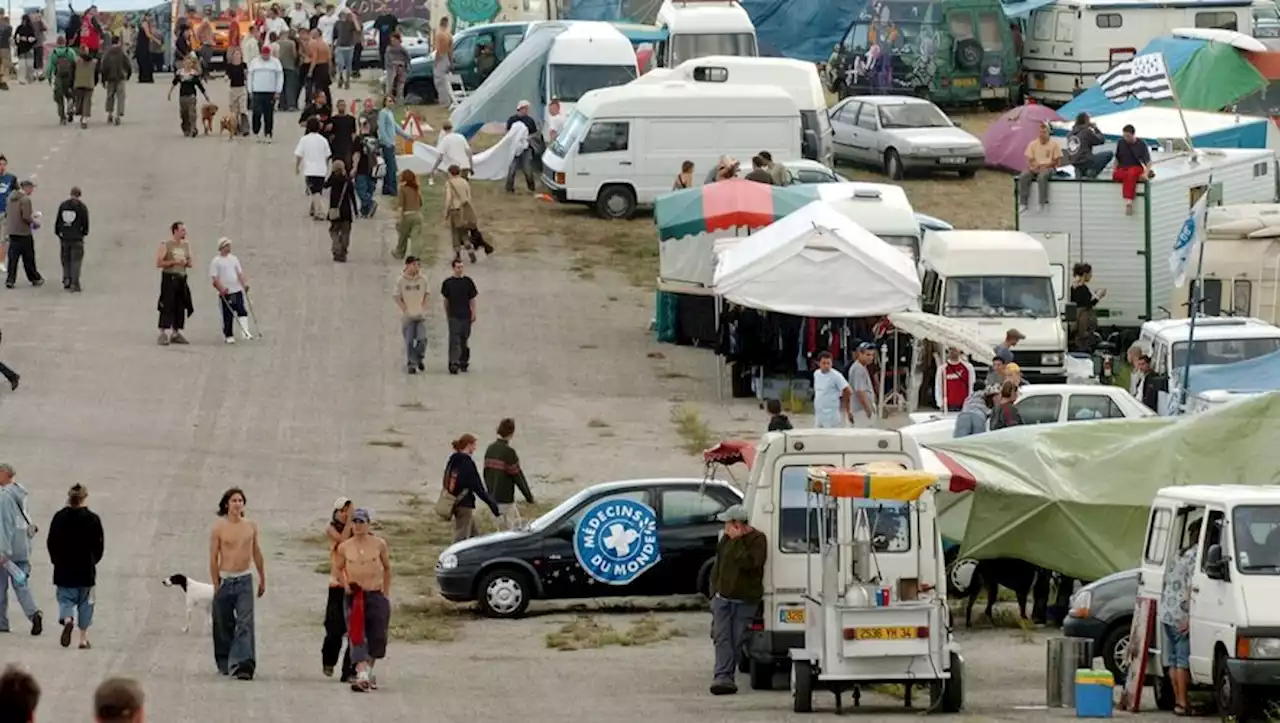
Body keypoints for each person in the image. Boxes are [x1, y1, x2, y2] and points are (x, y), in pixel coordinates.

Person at [708, 504, 766, 696]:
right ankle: (722, 677)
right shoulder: (725, 540)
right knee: (721, 637)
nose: (725, 527)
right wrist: (713, 592)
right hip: (722, 599)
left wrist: (738, 542)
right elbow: (719, 566)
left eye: (727, 523)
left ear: (737, 524)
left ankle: (727, 676)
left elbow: (751, 564)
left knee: (736, 639)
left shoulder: (758, 540)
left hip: (744, 601)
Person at [209, 487, 266, 680]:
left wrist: (262, 577)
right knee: (223, 623)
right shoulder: (219, 527)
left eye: (240, 501)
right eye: (234, 500)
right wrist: (215, 581)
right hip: (226, 578)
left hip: (244, 580)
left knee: (245, 623)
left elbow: (256, 552)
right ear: (227, 504)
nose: (237, 504)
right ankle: (225, 661)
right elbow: (213, 556)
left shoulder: (250, 526)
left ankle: (244, 665)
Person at [334, 507, 392, 692]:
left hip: (375, 593)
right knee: (357, 634)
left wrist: (385, 592)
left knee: (378, 635)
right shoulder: (345, 546)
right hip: (355, 596)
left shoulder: (379, 544)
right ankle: (361, 674)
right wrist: (345, 584)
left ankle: (369, 670)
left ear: (368, 524)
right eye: (355, 522)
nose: (358, 526)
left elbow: (387, 568)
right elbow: (337, 568)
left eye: (361, 522)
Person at [45, 483, 103, 649]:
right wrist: (93, 560)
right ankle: (83, 639)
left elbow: (51, 542)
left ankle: (68, 619)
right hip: (86, 569)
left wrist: (55, 560)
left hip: (64, 568)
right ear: (84, 498)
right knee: (86, 604)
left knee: (65, 599)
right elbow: (99, 545)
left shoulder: (59, 517)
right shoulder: (93, 519)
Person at [1159, 517, 1200, 716]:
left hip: (1167, 611)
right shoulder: (1196, 556)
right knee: (1182, 660)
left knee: (1173, 660)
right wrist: (1191, 617)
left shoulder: (1178, 554)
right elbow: (1192, 587)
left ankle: (1178, 701)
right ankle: (1183, 703)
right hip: (1182, 614)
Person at [0, 464, 42, 635]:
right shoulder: (20, 493)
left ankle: (1, 622)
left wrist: (2, 551)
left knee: (0, 587)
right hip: (22, 547)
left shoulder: (3, 497)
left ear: (5, 474)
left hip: (6, 550)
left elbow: (4, 526)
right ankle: (33, 613)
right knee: (21, 583)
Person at [443, 435, 500, 541]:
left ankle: (480, 554)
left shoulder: (453, 460)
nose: (475, 448)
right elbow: (477, 487)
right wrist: (491, 504)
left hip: (453, 501)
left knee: (474, 536)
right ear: (468, 445)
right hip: (465, 504)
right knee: (461, 537)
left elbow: (446, 478)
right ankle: (453, 555)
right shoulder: (467, 463)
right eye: (473, 445)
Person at [322, 497, 354, 681]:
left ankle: (349, 670)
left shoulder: (358, 529)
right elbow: (342, 543)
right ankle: (328, 660)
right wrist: (349, 521)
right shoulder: (332, 529)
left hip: (355, 584)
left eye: (348, 511)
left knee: (354, 630)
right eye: (342, 511)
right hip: (337, 584)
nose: (345, 515)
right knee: (334, 629)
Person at [483, 418, 535, 530]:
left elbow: (485, 474)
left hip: (492, 498)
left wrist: (489, 493)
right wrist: (529, 497)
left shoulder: (490, 449)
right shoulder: (509, 452)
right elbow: (518, 477)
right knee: (507, 533)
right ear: (511, 433)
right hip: (505, 500)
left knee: (498, 531)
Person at [155, 221, 193, 346]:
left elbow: (190, 262)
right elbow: (159, 263)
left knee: (180, 305)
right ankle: (163, 332)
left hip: (181, 277)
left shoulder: (185, 245)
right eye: (182, 230)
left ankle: (176, 332)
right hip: (170, 278)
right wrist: (174, 262)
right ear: (175, 231)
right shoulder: (166, 245)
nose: (184, 232)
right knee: (167, 304)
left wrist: (186, 263)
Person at [210, 237, 252, 344]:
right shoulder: (216, 261)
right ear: (221, 247)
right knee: (228, 314)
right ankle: (228, 335)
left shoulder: (234, 259)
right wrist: (221, 289)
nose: (228, 248)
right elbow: (215, 278)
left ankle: (245, 332)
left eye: (229, 246)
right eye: (226, 246)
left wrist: (244, 284)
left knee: (241, 310)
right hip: (226, 292)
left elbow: (239, 273)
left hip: (237, 290)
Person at [441, 258, 478, 374]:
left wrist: (474, 312)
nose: (460, 269)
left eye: (461, 267)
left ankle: (463, 361)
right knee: (454, 340)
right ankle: (453, 363)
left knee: (464, 340)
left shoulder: (468, 282)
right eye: (458, 267)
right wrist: (447, 314)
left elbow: (472, 299)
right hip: (454, 315)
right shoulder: (448, 283)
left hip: (466, 315)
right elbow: (446, 300)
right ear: (453, 268)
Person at [5, 179, 43, 289]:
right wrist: (35, 223)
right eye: (31, 188)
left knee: (13, 258)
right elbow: (26, 216)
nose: (32, 190)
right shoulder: (25, 200)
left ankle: (10, 279)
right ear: (26, 187)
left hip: (13, 231)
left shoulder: (10, 198)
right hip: (23, 233)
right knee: (28, 257)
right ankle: (34, 278)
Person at [395, 255, 428, 374]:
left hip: (420, 315)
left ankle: (419, 357)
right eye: (414, 264)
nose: (417, 267)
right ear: (408, 265)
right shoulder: (401, 281)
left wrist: (424, 308)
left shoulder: (422, 279)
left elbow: (426, 294)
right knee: (409, 341)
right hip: (408, 316)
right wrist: (405, 309)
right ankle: (411, 363)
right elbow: (397, 297)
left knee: (422, 339)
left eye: (418, 265)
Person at [1018, 123, 1061, 212]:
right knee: (1023, 176)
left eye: (1044, 132)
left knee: (1042, 177)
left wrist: (1045, 166)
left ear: (1049, 133)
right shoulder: (1032, 144)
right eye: (1040, 132)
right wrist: (1033, 167)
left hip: (1049, 167)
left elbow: (1056, 161)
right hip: (1035, 167)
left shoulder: (1054, 145)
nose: (1042, 134)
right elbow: (1029, 159)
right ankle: (1023, 203)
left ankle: (1042, 202)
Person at [54, 186, 89, 292]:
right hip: (76, 238)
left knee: (65, 260)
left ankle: (66, 279)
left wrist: (59, 233)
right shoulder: (82, 207)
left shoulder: (63, 205)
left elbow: (58, 221)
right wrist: (83, 233)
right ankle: (75, 282)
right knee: (76, 261)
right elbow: (85, 223)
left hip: (64, 237)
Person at [296, 117, 332, 219]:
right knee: (317, 191)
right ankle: (312, 209)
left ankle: (319, 211)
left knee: (314, 191)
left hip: (309, 170)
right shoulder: (323, 140)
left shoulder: (304, 139)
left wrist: (297, 167)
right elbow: (327, 155)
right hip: (321, 170)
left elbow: (299, 155)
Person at [1112, 124, 1153, 216]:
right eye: (1124, 136)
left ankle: (1129, 202)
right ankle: (1137, 177)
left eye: (1128, 136)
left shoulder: (1141, 144)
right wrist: (1114, 169)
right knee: (1117, 176)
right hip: (1123, 168)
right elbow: (1117, 158)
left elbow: (1148, 161)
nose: (1126, 138)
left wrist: (1145, 172)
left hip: (1135, 167)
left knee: (1131, 173)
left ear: (1133, 135)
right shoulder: (1121, 142)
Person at [377, 95, 413, 196]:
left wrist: (406, 136)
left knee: (389, 167)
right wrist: (387, 142)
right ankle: (392, 189)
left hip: (392, 143)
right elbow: (382, 129)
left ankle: (386, 188)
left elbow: (396, 127)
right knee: (392, 167)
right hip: (387, 144)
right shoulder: (383, 113)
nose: (391, 103)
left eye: (392, 101)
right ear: (384, 102)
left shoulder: (390, 113)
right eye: (389, 101)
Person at [444, 165, 482, 262]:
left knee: (455, 233)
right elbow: (469, 197)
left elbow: (449, 198)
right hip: (464, 210)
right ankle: (468, 247)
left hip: (455, 210)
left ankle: (457, 254)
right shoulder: (465, 182)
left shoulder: (450, 183)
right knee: (464, 231)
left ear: (450, 173)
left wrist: (446, 211)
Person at [248, 43, 283, 142]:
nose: (265, 56)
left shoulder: (275, 62)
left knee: (269, 114)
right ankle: (256, 132)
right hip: (257, 91)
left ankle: (268, 133)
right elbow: (250, 77)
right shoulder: (254, 62)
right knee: (256, 113)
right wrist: (250, 90)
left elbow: (280, 77)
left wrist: (278, 91)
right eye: (264, 54)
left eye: (267, 54)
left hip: (270, 92)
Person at [168, 55, 209, 137]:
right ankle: (186, 128)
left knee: (192, 113)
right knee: (184, 114)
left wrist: (206, 95)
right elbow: (174, 83)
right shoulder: (180, 73)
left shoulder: (194, 74)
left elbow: (199, 86)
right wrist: (169, 93)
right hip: (182, 97)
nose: (187, 64)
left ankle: (193, 128)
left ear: (191, 64)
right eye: (186, 63)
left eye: (189, 63)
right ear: (183, 63)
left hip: (192, 96)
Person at [325, 160, 357, 262]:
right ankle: (343, 249)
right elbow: (352, 197)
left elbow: (325, 185)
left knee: (333, 231)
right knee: (346, 232)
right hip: (346, 212)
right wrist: (356, 211)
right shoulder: (348, 181)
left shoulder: (333, 179)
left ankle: (337, 247)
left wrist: (332, 174)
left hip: (335, 211)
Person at [1070, 262, 1105, 352]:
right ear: (1085, 274)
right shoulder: (1082, 288)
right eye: (1090, 274)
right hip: (1083, 324)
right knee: (1084, 344)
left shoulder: (1074, 287)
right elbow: (1087, 305)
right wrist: (1098, 296)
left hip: (1078, 323)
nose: (1091, 276)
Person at [505, 100, 539, 193]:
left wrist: (526, 138)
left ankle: (531, 188)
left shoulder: (530, 120)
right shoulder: (512, 120)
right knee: (512, 168)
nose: (527, 110)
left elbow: (534, 133)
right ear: (520, 109)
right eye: (525, 108)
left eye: (527, 109)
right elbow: (508, 132)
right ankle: (509, 188)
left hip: (526, 148)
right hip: (514, 149)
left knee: (527, 168)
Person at [1065, 112, 1112, 179]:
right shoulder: (1086, 131)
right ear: (1086, 120)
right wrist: (1095, 128)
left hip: (1075, 164)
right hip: (1086, 162)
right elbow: (1101, 140)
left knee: (1087, 157)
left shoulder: (1069, 134)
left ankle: (1083, 173)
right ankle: (1092, 171)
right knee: (1109, 154)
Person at [812, 351, 851, 428]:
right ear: (818, 363)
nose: (826, 366)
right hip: (819, 414)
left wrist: (847, 408)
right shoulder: (816, 374)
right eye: (824, 363)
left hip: (831, 415)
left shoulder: (836, 376)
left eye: (828, 363)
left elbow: (848, 390)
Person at [391, 170, 422, 260]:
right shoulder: (416, 189)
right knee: (416, 237)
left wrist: (399, 218)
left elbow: (401, 205)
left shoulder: (402, 189)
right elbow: (420, 203)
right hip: (417, 214)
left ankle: (399, 253)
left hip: (407, 215)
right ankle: (416, 255)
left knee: (403, 236)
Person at [351, 118, 379, 217]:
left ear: (360, 127)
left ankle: (370, 203)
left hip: (362, 168)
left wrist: (354, 167)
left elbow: (357, 155)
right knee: (369, 189)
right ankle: (365, 210)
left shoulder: (359, 139)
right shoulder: (375, 139)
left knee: (360, 189)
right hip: (373, 168)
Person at [100, 34, 130, 125]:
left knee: (110, 96)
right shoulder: (122, 52)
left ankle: (110, 114)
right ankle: (118, 116)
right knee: (121, 96)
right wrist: (128, 75)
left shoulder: (107, 53)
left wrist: (103, 79)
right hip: (120, 77)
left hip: (110, 77)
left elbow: (103, 66)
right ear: (118, 42)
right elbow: (127, 64)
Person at [935, 347, 975, 412]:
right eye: (950, 349)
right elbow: (938, 386)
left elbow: (972, 386)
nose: (952, 351)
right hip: (948, 405)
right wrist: (940, 404)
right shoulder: (942, 368)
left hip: (964, 405)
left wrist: (970, 402)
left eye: (955, 349)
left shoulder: (968, 367)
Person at [848, 342, 878, 427]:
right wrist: (868, 410)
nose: (871, 358)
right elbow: (860, 391)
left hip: (861, 410)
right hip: (861, 412)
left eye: (872, 355)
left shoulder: (861, 367)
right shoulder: (858, 369)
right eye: (868, 355)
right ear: (860, 354)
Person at [72, 42, 96, 129]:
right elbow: (96, 73)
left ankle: (80, 114)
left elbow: (72, 72)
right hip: (89, 83)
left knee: (79, 101)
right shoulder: (93, 61)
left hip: (78, 83)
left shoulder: (76, 61)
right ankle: (85, 118)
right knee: (87, 101)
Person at [328, 98, 357, 170]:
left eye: (343, 105)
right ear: (337, 106)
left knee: (348, 167)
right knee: (337, 168)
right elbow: (331, 135)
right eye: (340, 105)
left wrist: (354, 146)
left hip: (348, 147)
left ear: (345, 106)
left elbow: (353, 134)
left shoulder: (351, 119)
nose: (342, 107)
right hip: (336, 148)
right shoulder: (333, 119)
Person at [333, 8, 357, 89]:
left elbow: (358, 29)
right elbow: (334, 36)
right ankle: (340, 77)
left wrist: (354, 18)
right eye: (342, 14)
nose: (343, 16)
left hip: (349, 47)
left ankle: (347, 81)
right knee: (340, 63)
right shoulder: (337, 23)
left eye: (345, 14)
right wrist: (332, 47)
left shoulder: (350, 23)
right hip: (339, 46)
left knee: (348, 65)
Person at [274, 29, 298, 110]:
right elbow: (294, 54)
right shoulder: (291, 43)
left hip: (279, 67)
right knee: (290, 86)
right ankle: (291, 104)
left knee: (281, 86)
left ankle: (282, 105)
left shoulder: (276, 43)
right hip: (290, 66)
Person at [306, 28, 331, 103]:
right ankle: (328, 102)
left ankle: (319, 103)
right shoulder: (324, 43)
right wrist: (330, 69)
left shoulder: (313, 43)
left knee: (318, 88)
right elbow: (329, 57)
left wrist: (310, 71)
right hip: (325, 66)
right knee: (325, 88)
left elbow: (315, 57)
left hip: (318, 66)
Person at [383, 32, 410, 102]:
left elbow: (408, 59)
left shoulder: (403, 50)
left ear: (398, 40)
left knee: (400, 85)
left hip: (402, 69)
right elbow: (388, 61)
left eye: (395, 40)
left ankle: (400, 100)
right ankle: (388, 100)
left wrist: (404, 66)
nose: (393, 42)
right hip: (392, 69)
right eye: (392, 41)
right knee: (390, 85)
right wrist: (395, 63)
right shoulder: (389, 49)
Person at [432, 16, 452, 106]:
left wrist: (436, 60)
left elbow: (438, 49)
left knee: (439, 81)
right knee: (445, 81)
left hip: (441, 57)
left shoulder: (439, 34)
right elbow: (451, 49)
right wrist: (450, 61)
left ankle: (444, 102)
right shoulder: (449, 34)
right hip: (446, 58)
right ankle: (447, 100)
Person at [0, 156, 14, 274]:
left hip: (5, 212)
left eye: (4, 164)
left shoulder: (11, 178)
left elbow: (17, 193)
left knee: (4, 239)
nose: (2, 167)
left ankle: (1, 261)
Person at [15, 15, 36, 85]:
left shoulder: (20, 27)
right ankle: (28, 79)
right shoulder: (30, 28)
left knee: (23, 65)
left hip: (23, 48)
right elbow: (34, 38)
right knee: (27, 65)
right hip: (27, 48)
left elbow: (15, 37)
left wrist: (23, 40)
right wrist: (27, 40)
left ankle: (24, 79)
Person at [136, 17, 157, 82]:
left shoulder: (148, 24)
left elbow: (152, 33)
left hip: (145, 46)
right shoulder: (144, 23)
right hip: (142, 46)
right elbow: (148, 34)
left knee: (146, 61)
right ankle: (144, 77)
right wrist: (156, 40)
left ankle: (145, 77)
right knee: (144, 61)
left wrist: (151, 26)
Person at [0, 11, 11, 90]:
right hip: (4, 47)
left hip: (4, 47)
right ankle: (3, 82)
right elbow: (9, 37)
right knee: (4, 65)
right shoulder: (8, 26)